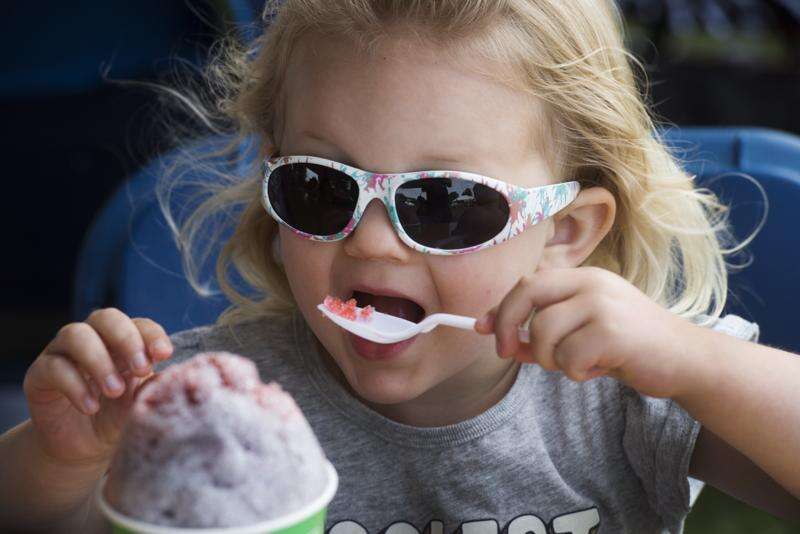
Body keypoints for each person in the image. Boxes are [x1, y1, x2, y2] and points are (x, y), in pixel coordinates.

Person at [2, 1, 799, 532]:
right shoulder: (219, 412)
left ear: (563, 231)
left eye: (445, 201)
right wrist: (61, 459)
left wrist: (698, 363)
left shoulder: (626, 394)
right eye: (320, 187)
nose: (373, 244)